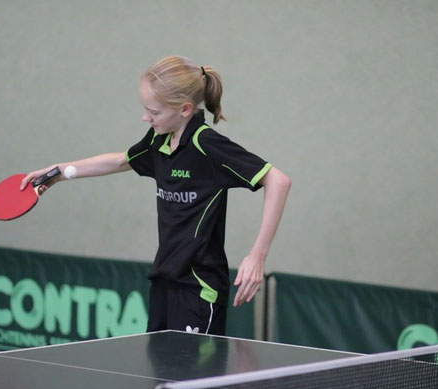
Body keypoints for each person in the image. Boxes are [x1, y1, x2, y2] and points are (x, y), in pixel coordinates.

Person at [21, 56, 291, 336]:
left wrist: (257, 256)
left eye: (154, 112)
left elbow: (278, 181)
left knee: (194, 379)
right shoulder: (158, 140)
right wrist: (57, 172)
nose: (145, 117)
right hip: (164, 280)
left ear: (185, 109)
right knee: (162, 375)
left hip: (199, 288)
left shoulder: (207, 145)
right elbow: (120, 161)